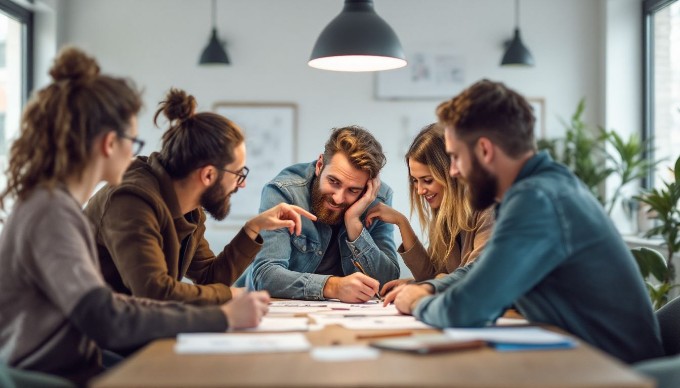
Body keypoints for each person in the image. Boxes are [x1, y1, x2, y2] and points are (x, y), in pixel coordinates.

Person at [0, 47, 271, 385]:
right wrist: (221, 315)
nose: (136, 151)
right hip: (52, 378)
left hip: (79, 362)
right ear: (109, 144)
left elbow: (110, 305)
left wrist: (220, 313)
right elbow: (106, 316)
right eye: (133, 139)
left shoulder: (53, 205)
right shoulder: (52, 212)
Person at [385, 79, 664, 364]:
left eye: (456, 157)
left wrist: (418, 303)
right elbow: (481, 269)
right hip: (585, 359)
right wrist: (432, 287)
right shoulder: (541, 188)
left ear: (484, 150)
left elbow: (467, 309)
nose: (454, 172)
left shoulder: (537, 201)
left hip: (617, 372)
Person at [84, 88, 315, 305]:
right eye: (238, 174)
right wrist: (229, 295)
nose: (241, 184)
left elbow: (209, 276)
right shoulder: (132, 200)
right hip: (94, 341)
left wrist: (252, 228)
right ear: (208, 174)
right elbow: (155, 292)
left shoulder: (190, 208)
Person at [237, 126, 400, 302]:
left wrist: (354, 223)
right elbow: (265, 276)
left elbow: (387, 282)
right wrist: (334, 286)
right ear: (320, 165)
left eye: (353, 190)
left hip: (338, 316)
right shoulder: (284, 192)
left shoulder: (377, 199)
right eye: (334, 181)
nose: (338, 198)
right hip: (262, 308)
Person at [365, 124, 493, 295]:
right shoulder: (445, 214)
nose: (419, 190)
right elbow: (432, 276)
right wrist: (402, 223)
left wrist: (426, 285)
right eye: (415, 181)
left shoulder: (489, 208)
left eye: (427, 180)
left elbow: (477, 276)